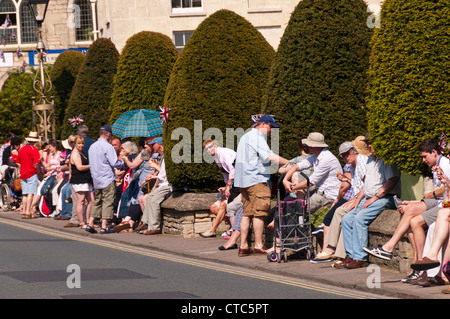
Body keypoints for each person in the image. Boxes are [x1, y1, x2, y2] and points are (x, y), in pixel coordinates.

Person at [364, 138, 450, 278]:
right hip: (438, 201)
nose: (423, 160)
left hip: (443, 204)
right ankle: (400, 254)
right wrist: (415, 202)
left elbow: (444, 189)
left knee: (415, 221)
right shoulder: (438, 164)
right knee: (408, 209)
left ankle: (418, 264)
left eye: (424, 156)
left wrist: (430, 194)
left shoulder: (445, 164)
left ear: (434, 152)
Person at [341, 132, 401, 269]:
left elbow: (392, 181)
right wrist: (358, 200)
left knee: (360, 218)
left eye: (371, 142)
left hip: (385, 198)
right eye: (367, 143)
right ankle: (350, 256)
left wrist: (375, 198)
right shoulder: (369, 159)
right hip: (369, 197)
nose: (368, 145)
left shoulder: (387, 159)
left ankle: (360, 257)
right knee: (346, 219)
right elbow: (366, 183)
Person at [234, 115, 289, 256]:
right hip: (256, 180)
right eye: (271, 126)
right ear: (263, 124)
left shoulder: (245, 136)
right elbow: (269, 156)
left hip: (243, 181)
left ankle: (244, 246)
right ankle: (258, 245)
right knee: (260, 213)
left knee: (247, 214)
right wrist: (291, 163)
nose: (271, 130)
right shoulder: (257, 137)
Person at [311, 137, 370, 264]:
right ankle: (339, 253)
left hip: (365, 197)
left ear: (354, 151)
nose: (345, 157)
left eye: (347, 154)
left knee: (342, 214)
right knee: (341, 214)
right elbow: (356, 184)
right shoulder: (353, 166)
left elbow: (367, 185)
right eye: (342, 156)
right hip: (358, 196)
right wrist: (345, 179)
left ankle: (334, 251)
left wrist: (355, 200)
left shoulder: (361, 162)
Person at [283, 132, 342, 216]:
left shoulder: (326, 159)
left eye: (308, 144)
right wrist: (285, 180)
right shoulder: (317, 156)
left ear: (313, 146)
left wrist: (291, 187)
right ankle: (300, 213)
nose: (307, 146)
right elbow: (297, 166)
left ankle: (301, 220)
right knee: (298, 189)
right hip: (319, 190)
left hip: (328, 195)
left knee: (297, 209)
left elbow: (310, 182)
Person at [86, 125, 124, 234]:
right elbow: (114, 163)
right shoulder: (108, 147)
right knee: (108, 201)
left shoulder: (92, 146)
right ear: (108, 134)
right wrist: (121, 161)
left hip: (96, 178)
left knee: (97, 201)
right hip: (107, 178)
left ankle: (90, 223)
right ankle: (104, 226)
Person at [200, 139, 240, 238]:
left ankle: (212, 230)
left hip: (240, 182)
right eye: (206, 149)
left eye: (210, 147)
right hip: (232, 183)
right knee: (213, 207)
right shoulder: (216, 157)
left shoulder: (224, 153)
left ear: (216, 145)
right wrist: (225, 186)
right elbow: (225, 173)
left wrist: (229, 186)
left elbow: (232, 170)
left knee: (223, 205)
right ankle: (236, 225)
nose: (209, 150)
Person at [137, 137, 172, 235]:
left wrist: (154, 186)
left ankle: (154, 227)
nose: (152, 146)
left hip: (167, 184)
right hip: (162, 183)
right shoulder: (161, 156)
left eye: (153, 144)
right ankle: (146, 222)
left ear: (159, 144)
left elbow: (162, 175)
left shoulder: (167, 156)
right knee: (150, 197)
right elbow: (160, 173)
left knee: (153, 199)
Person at [16, 132, 42, 219]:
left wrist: (23, 167)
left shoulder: (22, 149)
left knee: (25, 194)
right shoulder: (34, 149)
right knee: (31, 193)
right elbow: (37, 162)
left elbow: (18, 162)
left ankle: (24, 211)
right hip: (31, 173)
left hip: (23, 173)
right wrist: (38, 171)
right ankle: (28, 211)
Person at [70, 136, 94, 229]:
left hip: (86, 179)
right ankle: (81, 222)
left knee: (91, 201)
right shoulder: (75, 154)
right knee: (81, 201)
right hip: (79, 180)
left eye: (82, 143)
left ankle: (88, 221)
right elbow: (79, 167)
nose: (81, 145)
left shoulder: (81, 153)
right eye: (79, 143)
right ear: (75, 144)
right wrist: (91, 165)